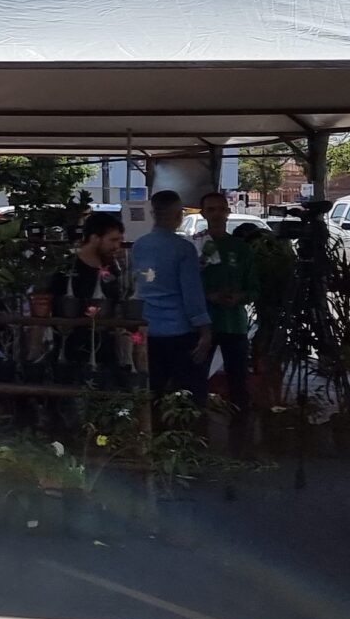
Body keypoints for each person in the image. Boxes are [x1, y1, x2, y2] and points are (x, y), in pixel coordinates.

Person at [129, 192, 210, 403]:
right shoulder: (184, 249)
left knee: (152, 390)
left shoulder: (138, 246)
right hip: (180, 330)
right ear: (178, 214)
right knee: (187, 395)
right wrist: (205, 330)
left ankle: (150, 432)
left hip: (147, 327)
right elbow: (192, 294)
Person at [193, 191, 260, 446]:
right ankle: (197, 437)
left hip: (235, 325)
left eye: (221, 209)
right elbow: (187, 286)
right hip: (204, 325)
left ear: (228, 212)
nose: (217, 214)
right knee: (198, 380)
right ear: (203, 214)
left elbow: (254, 288)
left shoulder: (241, 249)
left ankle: (241, 437)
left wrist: (239, 296)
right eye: (211, 209)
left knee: (238, 381)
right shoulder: (195, 245)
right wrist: (208, 296)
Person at [42, 211, 126, 380]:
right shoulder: (66, 270)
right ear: (95, 238)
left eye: (119, 240)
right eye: (113, 240)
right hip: (71, 354)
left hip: (105, 354)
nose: (117, 246)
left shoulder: (113, 269)